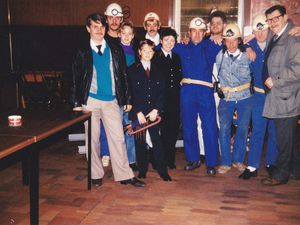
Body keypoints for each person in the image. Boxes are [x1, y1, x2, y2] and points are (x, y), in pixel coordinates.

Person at [71, 13, 145, 187]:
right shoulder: (82, 51)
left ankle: (124, 174)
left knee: (118, 138)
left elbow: (123, 75)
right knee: (93, 139)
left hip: (112, 100)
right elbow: (75, 76)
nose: (99, 30)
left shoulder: (115, 48)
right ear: (88, 29)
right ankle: (95, 174)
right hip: (90, 101)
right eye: (95, 27)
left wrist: (126, 98)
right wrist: (75, 102)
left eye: (102, 26)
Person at [173, 17, 219, 175]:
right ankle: (193, 159)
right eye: (194, 31)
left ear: (205, 33)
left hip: (205, 91)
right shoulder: (181, 47)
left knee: (209, 126)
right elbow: (159, 47)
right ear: (189, 32)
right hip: (187, 91)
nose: (197, 35)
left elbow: (233, 45)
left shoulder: (211, 46)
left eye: (201, 32)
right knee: (188, 126)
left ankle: (211, 162)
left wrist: (248, 46)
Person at [261, 5, 300, 186]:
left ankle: (281, 175)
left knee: (284, 140)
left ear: (285, 17)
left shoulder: (293, 39)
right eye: (269, 20)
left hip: (286, 98)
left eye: (276, 18)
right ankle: (295, 171)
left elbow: (298, 69)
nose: (272, 23)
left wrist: (275, 80)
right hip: (277, 97)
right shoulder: (275, 36)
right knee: (289, 138)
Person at [239, 14, 278, 180]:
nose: (261, 34)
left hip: (275, 95)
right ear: (253, 31)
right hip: (257, 96)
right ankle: (252, 166)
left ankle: (271, 163)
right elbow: (233, 44)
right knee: (257, 131)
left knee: (274, 131)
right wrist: (245, 46)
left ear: (268, 29)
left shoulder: (276, 42)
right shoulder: (249, 44)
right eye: (257, 30)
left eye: (263, 30)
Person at [128, 39, 172, 181]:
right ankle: (142, 170)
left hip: (153, 113)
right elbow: (130, 93)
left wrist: (156, 110)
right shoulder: (132, 70)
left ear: (154, 53)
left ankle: (162, 171)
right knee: (140, 143)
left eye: (150, 51)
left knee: (157, 141)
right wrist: (137, 112)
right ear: (139, 52)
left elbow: (162, 93)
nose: (147, 53)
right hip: (139, 113)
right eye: (145, 50)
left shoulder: (159, 71)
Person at [216, 23, 253, 174]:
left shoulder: (248, 55)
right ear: (224, 41)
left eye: (234, 40)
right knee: (224, 129)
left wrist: (250, 46)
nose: (230, 44)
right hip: (227, 97)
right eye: (227, 40)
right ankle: (225, 161)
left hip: (245, 97)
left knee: (243, 129)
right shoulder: (220, 56)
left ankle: (238, 159)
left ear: (239, 40)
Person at [153, 28, 182, 169]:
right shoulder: (155, 57)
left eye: (172, 41)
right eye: (166, 40)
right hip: (160, 100)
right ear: (161, 41)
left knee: (173, 130)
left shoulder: (176, 57)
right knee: (160, 131)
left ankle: (170, 160)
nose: (169, 43)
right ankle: (159, 160)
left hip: (174, 100)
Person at [118, 21, 138, 170]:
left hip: (132, 94)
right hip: (119, 95)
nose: (126, 36)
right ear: (119, 34)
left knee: (130, 128)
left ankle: (131, 160)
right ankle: (120, 161)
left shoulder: (135, 51)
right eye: (123, 33)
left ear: (133, 36)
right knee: (118, 130)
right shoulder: (115, 50)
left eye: (129, 33)